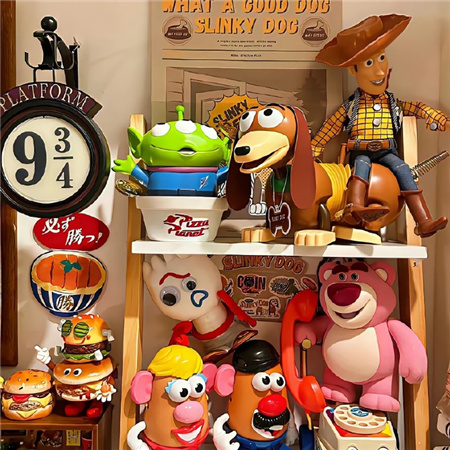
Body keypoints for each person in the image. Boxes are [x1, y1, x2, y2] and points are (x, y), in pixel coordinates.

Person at [311, 14, 449, 237]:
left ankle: (423, 221)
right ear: (353, 70)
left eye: (381, 58)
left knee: (403, 169)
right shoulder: (351, 106)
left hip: (387, 152)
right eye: (369, 63)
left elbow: (417, 107)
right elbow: (331, 126)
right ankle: (353, 208)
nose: (379, 71)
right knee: (360, 168)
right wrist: (314, 148)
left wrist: (439, 119)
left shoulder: (393, 103)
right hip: (361, 152)